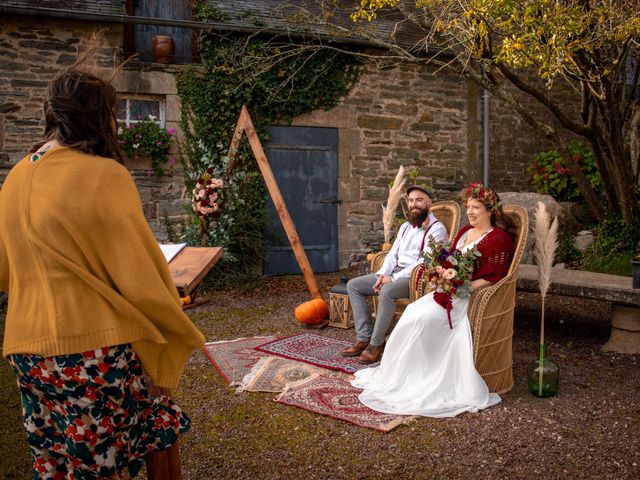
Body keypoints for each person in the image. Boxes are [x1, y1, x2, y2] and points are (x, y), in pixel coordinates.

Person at [0, 62, 205, 478]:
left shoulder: (17, 175)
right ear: (100, 117)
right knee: (108, 465)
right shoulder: (103, 175)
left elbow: (6, 271)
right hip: (91, 352)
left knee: (56, 462)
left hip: (25, 348)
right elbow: (142, 277)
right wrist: (175, 327)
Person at [351, 182, 515, 417]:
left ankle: (424, 374)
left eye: (476, 207)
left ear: (490, 210)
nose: (470, 212)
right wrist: (441, 276)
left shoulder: (498, 239)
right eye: (468, 206)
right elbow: (447, 262)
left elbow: (495, 277)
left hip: (468, 296)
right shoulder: (464, 232)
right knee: (412, 313)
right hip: (446, 292)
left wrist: (463, 287)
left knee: (422, 319)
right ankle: (406, 373)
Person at [343, 185, 448, 364]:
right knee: (353, 285)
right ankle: (364, 337)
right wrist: (382, 274)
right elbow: (393, 254)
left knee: (387, 291)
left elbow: (424, 262)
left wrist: (392, 279)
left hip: (415, 277)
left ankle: (377, 344)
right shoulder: (406, 226)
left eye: (419, 200)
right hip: (392, 273)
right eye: (411, 200)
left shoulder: (437, 229)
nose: (414, 204)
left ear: (429, 203)